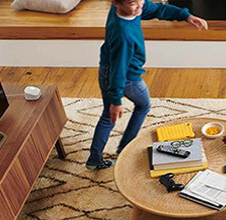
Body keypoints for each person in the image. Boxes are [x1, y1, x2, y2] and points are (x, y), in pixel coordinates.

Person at [85, 0, 208, 170]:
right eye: (133, 3)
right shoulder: (123, 34)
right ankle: (125, 150)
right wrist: (116, 100)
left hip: (106, 69)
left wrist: (186, 16)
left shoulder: (130, 9)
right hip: (126, 76)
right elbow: (119, 70)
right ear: (116, 2)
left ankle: (94, 160)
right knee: (143, 105)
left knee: (107, 116)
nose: (140, 7)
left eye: (141, 0)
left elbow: (158, 9)